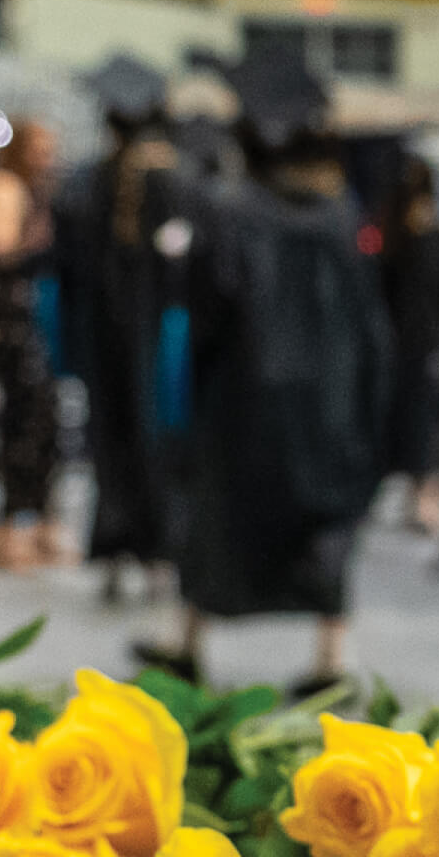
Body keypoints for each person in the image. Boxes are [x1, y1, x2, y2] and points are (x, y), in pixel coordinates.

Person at [137, 50, 392, 694]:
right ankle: (332, 661)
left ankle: (185, 642)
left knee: (219, 523)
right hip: (329, 407)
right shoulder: (340, 218)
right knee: (323, 533)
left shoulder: (231, 213)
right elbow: (368, 325)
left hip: (246, 404)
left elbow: (206, 313)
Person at [64, 54, 181, 602]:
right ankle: (156, 556)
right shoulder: (169, 187)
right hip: (152, 338)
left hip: (101, 337)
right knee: (151, 445)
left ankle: (112, 553)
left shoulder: (85, 185)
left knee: (108, 449)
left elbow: (63, 264)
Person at [0, 117, 66, 572]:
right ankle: (7, 536)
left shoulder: (33, 190)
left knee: (45, 431)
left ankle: (43, 530)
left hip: (35, 324)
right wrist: (39, 245)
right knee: (20, 434)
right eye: (40, 148)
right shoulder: (5, 187)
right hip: (13, 329)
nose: (48, 158)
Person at [376, 156, 439, 540]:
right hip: (426, 343)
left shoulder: (391, 238)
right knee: (427, 424)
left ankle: (417, 497)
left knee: (412, 422)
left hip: (398, 345)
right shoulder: (434, 239)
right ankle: (424, 501)